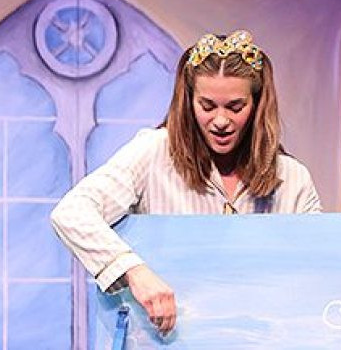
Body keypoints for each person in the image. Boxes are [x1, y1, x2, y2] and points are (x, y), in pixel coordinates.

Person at [50, 29, 323, 335]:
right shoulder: (154, 152)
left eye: (235, 107)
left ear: (257, 105)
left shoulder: (292, 178)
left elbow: (316, 277)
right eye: (207, 106)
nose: (221, 121)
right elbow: (72, 213)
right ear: (188, 101)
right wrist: (134, 271)